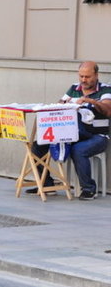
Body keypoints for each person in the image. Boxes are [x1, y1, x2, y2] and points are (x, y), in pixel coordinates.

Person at [26, 61, 111, 200]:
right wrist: (65, 103)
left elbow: (108, 111)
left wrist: (91, 102)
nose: (83, 80)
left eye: (87, 77)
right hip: (73, 133)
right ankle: (46, 185)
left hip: (98, 136)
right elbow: (58, 105)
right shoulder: (74, 88)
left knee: (78, 150)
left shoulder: (105, 90)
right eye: (81, 76)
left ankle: (89, 189)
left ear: (96, 75)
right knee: (37, 146)